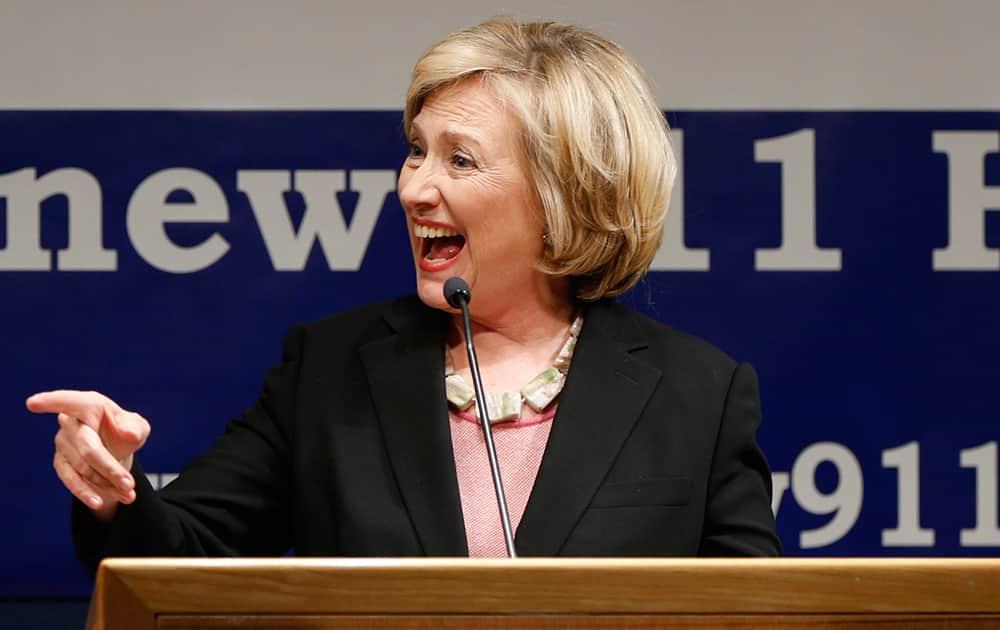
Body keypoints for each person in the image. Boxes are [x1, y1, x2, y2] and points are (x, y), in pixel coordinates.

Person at [27, 18, 780, 572]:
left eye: (460, 160)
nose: (415, 188)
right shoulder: (331, 368)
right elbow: (182, 559)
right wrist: (112, 489)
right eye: (417, 151)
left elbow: (755, 616)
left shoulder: (697, 393)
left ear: (565, 198)